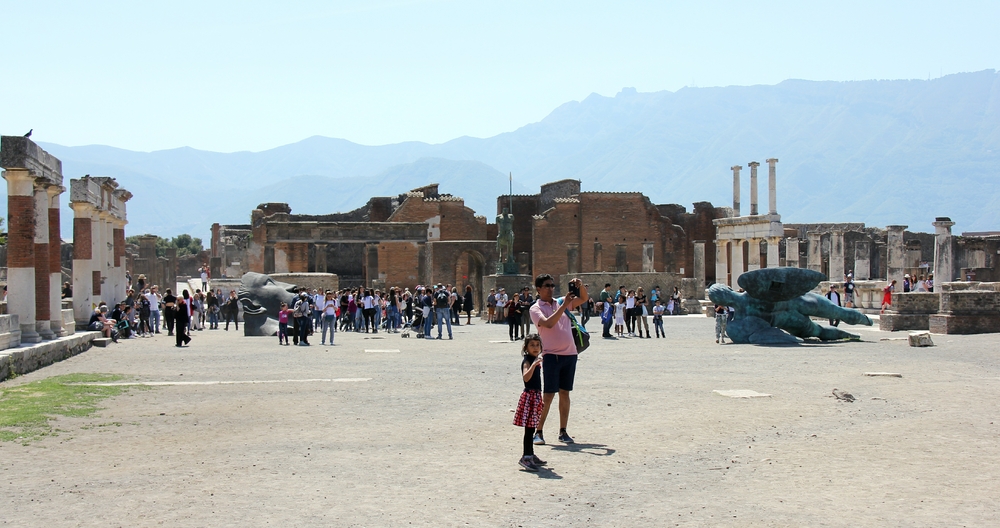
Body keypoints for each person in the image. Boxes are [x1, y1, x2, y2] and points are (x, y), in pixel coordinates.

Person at [529, 274, 588, 446]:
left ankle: (563, 431)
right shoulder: (535, 308)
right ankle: (538, 431)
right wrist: (563, 306)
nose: (550, 288)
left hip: (569, 354)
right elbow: (548, 323)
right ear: (538, 289)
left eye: (552, 285)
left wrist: (581, 286)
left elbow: (583, 298)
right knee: (548, 395)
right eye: (547, 285)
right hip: (551, 355)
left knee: (565, 393)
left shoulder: (560, 301)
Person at [513, 334, 546, 472]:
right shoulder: (527, 361)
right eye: (532, 345)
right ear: (526, 347)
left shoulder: (536, 359)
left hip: (536, 395)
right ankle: (526, 457)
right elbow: (526, 378)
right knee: (529, 429)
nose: (535, 347)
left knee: (532, 426)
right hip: (529, 396)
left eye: (537, 345)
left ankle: (531, 454)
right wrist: (533, 365)